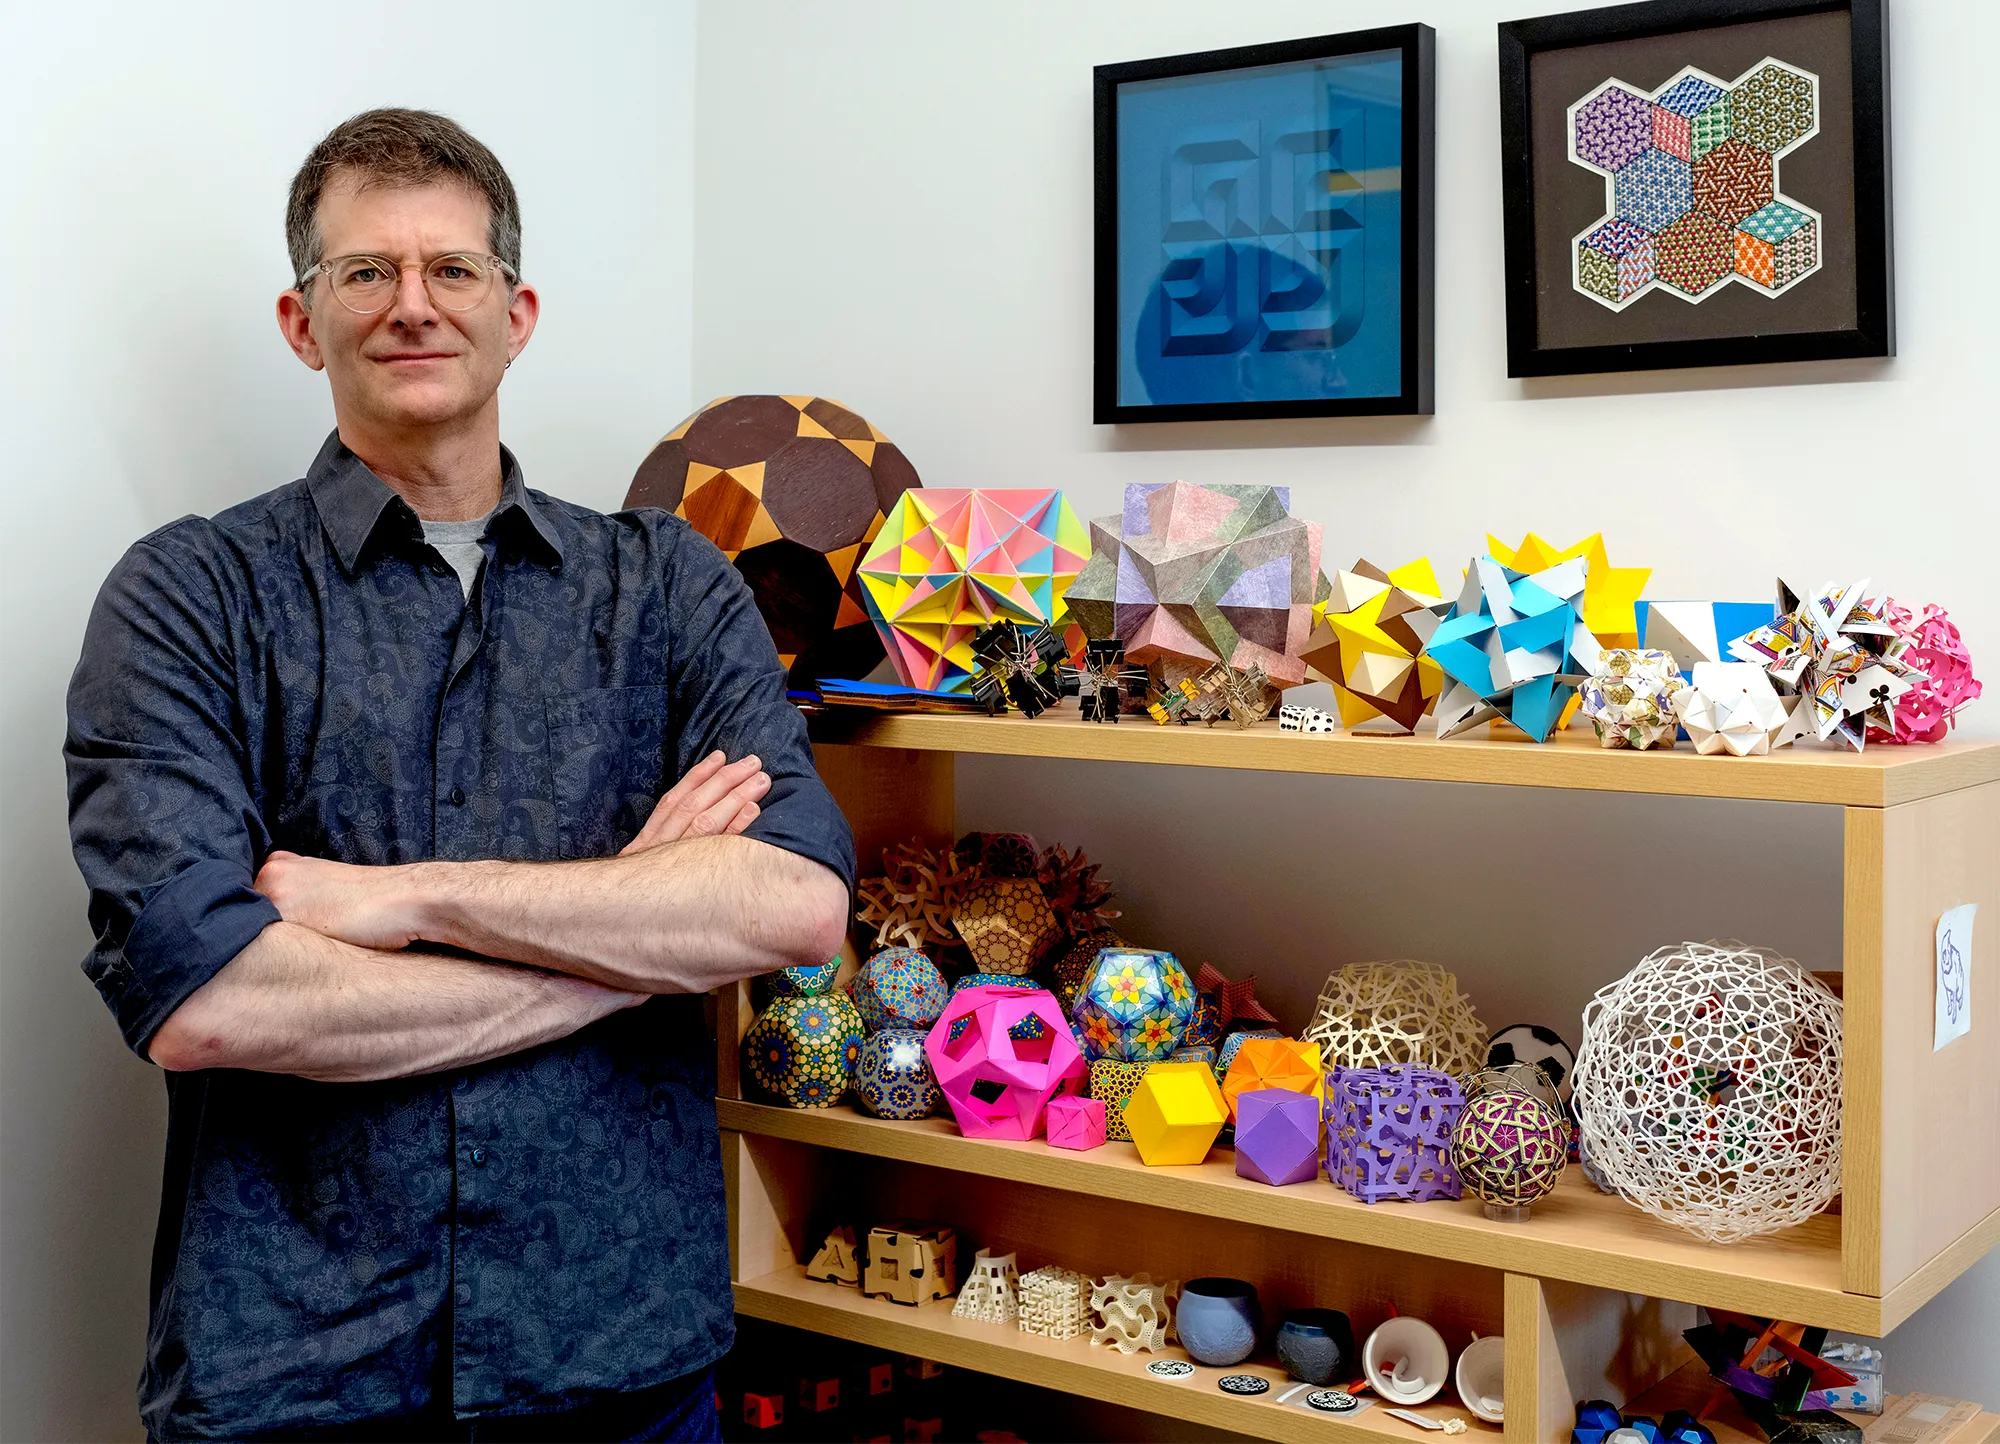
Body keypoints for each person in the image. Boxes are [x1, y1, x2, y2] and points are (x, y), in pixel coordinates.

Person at [63, 108, 854, 1443]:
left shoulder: (667, 586)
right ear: (300, 321)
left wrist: (393, 898)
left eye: (453, 270)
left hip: (625, 1367)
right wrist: (632, 925)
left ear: (518, 309)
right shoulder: (187, 599)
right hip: (295, 1377)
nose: (412, 306)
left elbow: (790, 907)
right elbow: (209, 1000)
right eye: (365, 272)